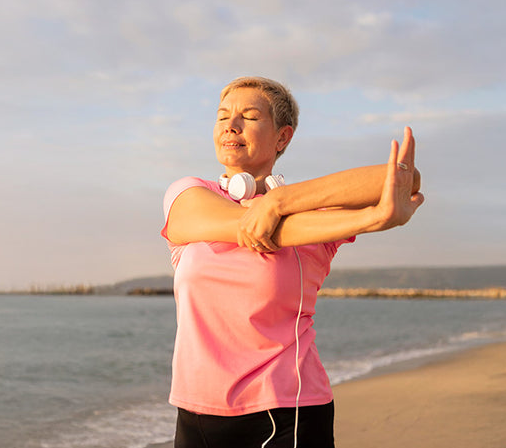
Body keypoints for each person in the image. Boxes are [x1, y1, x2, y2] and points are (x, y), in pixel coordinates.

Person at [160, 76, 424, 448]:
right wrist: (373, 218)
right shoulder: (187, 194)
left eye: (249, 117)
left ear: (283, 138)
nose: (231, 126)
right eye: (222, 117)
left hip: (288, 408)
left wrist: (278, 201)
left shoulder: (308, 212)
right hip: (196, 410)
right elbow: (248, 227)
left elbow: (404, 178)